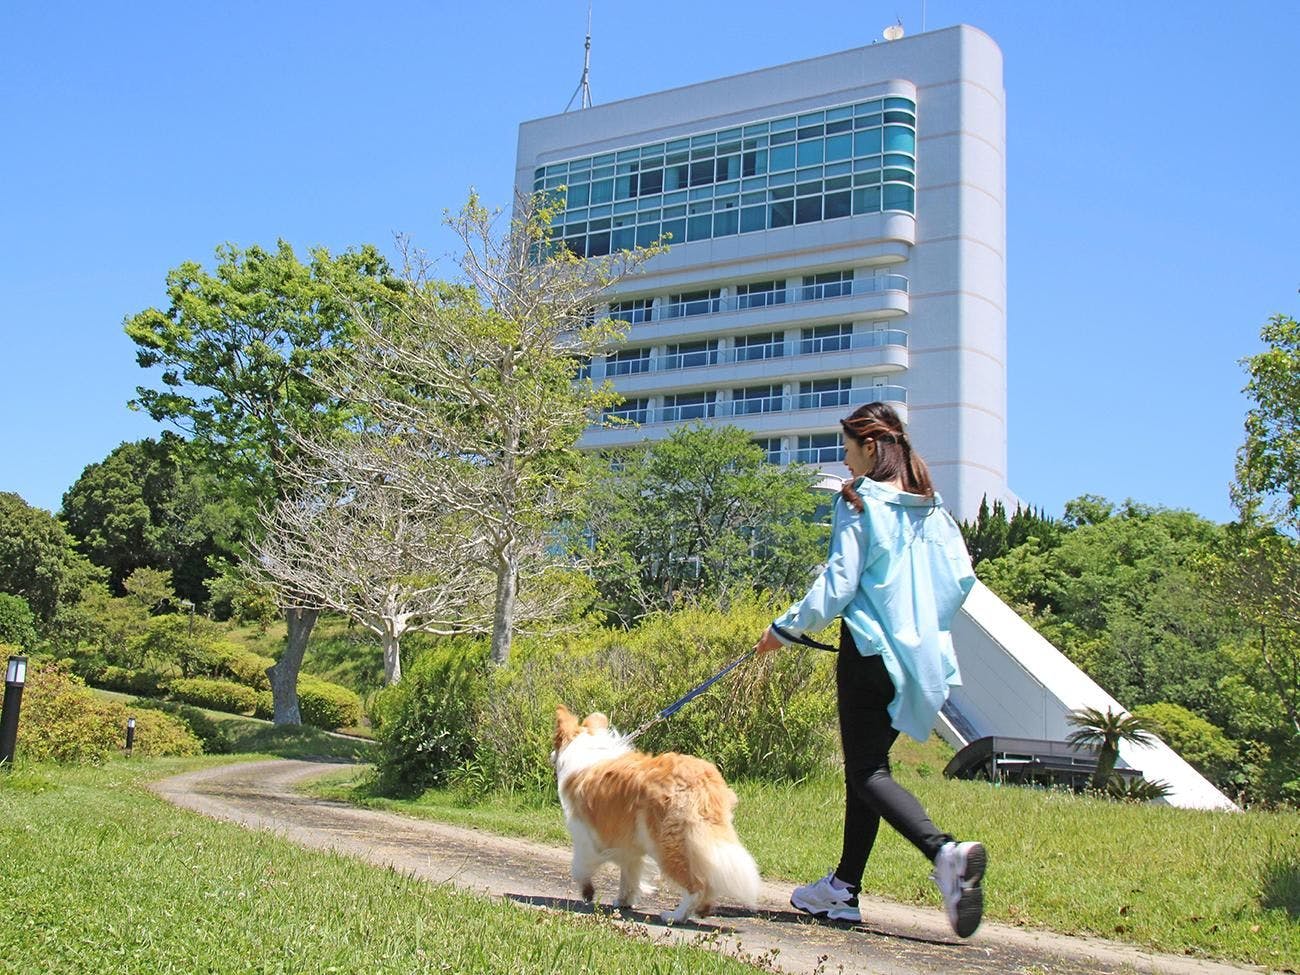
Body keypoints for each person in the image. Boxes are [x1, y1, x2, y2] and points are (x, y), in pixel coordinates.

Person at [752, 401, 985, 938]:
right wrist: (917, 624)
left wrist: (783, 629)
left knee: (866, 773)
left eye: (850, 447)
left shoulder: (859, 502)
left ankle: (945, 852)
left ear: (872, 447)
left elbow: (837, 585)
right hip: (915, 658)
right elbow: (960, 581)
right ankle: (843, 889)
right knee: (870, 769)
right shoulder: (932, 508)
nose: (845, 457)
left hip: (867, 653)